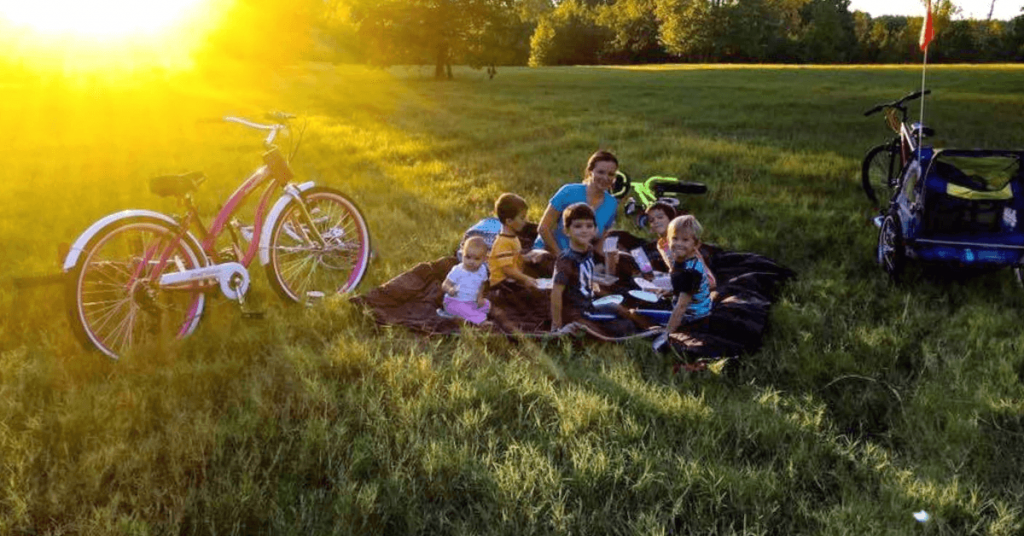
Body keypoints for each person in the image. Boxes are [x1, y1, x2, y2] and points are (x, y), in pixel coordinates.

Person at [550, 203, 639, 334]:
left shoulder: (589, 250)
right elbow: (556, 292)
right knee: (625, 326)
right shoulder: (566, 259)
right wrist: (556, 324)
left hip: (590, 304)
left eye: (589, 226)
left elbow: (587, 274)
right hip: (578, 312)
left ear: (595, 229)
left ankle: (650, 325)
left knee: (620, 308)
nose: (584, 230)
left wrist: (612, 262)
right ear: (566, 231)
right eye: (578, 226)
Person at [535, 151, 620, 271]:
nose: (606, 178)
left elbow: (600, 241)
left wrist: (610, 257)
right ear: (590, 172)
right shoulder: (568, 192)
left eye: (611, 174)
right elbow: (543, 228)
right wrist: (562, 257)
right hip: (551, 253)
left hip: (580, 259)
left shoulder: (611, 203)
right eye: (600, 172)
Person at [652, 215, 714, 351]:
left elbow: (681, 308)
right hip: (692, 310)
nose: (679, 243)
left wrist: (666, 335)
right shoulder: (682, 260)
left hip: (693, 318)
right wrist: (670, 291)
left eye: (685, 240)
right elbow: (684, 286)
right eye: (675, 238)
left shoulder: (691, 272)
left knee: (639, 315)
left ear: (696, 244)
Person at [646, 202, 715, 290]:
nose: (656, 221)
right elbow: (673, 267)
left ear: (671, 220)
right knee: (649, 280)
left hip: (700, 281)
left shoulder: (680, 242)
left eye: (660, 217)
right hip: (681, 277)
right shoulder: (661, 244)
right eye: (651, 220)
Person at [489, 193, 539, 290]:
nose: (526, 221)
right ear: (509, 221)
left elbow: (513, 257)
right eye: (522, 218)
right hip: (501, 285)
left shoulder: (513, 237)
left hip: (512, 280)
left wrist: (526, 258)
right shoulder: (503, 242)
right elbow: (507, 269)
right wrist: (525, 278)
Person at [440, 236, 491, 325]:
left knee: (487, 305)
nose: (471, 261)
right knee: (462, 308)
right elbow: (445, 284)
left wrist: (480, 297)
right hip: (455, 302)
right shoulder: (458, 270)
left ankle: (461, 317)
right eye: (468, 257)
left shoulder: (482, 270)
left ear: (484, 259)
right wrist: (450, 289)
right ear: (462, 254)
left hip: (471, 302)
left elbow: (482, 284)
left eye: (476, 259)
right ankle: (481, 322)